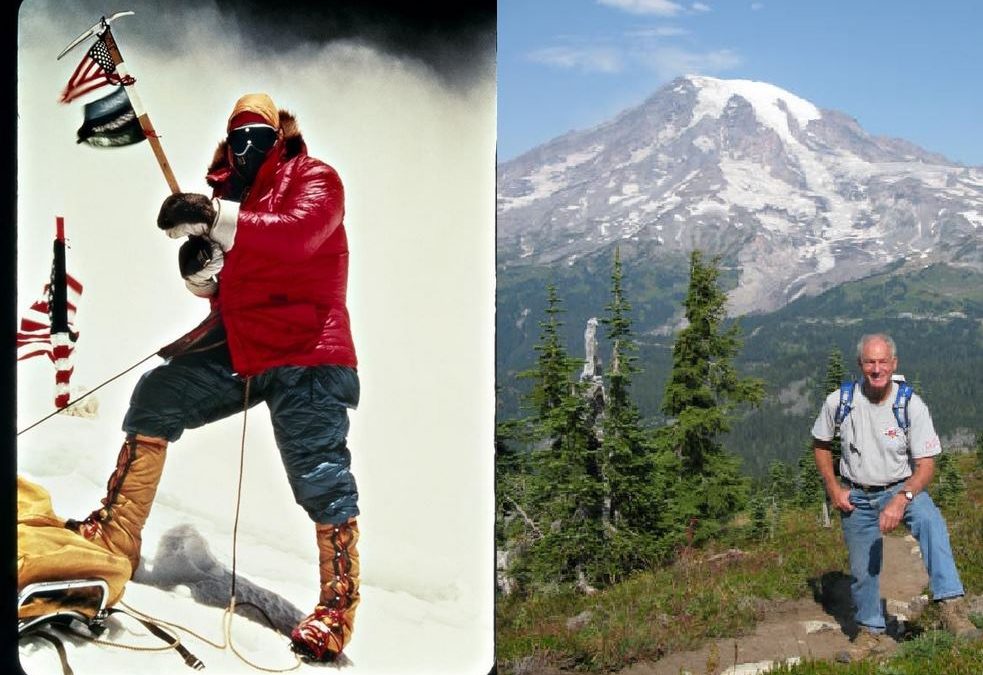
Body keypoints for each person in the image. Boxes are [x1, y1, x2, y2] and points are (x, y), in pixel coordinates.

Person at [65, 93, 361, 661]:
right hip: (243, 349)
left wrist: (213, 217)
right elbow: (232, 293)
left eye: (260, 134)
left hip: (306, 353)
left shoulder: (315, 179)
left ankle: (336, 607)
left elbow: (294, 235)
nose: (249, 144)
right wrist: (203, 278)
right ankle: (118, 536)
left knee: (320, 470)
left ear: (282, 137)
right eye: (240, 134)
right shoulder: (230, 197)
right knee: (159, 394)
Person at [811, 333, 980, 661]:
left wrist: (901, 499)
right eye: (870, 362)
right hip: (856, 493)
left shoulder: (909, 404)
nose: (877, 369)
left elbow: (927, 465)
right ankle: (872, 633)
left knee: (931, 521)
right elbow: (820, 444)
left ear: (894, 363)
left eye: (882, 362)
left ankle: (952, 608)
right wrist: (833, 488)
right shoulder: (840, 401)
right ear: (860, 365)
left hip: (902, 486)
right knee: (863, 569)